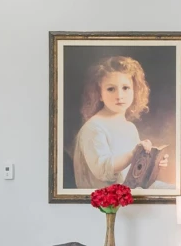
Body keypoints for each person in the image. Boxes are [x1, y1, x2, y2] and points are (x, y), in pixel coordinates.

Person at [72, 55, 169, 189]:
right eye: (111, 89)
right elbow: (102, 171)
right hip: (105, 201)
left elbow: (134, 173)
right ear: (99, 94)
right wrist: (133, 154)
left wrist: (153, 163)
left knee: (170, 190)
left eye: (125, 88)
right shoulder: (94, 128)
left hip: (129, 194)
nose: (119, 96)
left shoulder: (130, 128)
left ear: (135, 91)